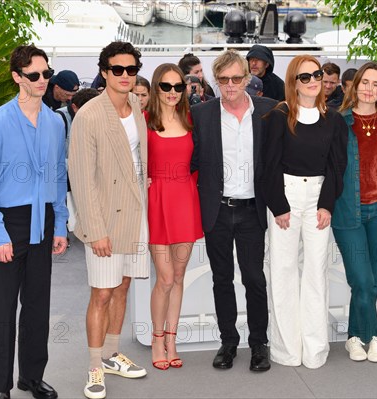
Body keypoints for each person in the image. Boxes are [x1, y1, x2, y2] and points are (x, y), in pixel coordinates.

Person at [0, 44, 68, 399]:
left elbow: (59, 176)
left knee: (37, 307)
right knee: (3, 312)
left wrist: (60, 224)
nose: (43, 80)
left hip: (43, 221)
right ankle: (1, 387)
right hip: (8, 223)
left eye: (47, 73)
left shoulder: (55, 122)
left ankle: (31, 376)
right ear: (17, 77)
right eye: (34, 75)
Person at [69, 41, 149, 399]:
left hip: (134, 211)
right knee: (101, 293)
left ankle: (114, 353)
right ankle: (94, 366)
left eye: (131, 70)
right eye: (117, 70)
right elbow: (81, 179)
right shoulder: (89, 115)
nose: (125, 76)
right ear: (104, 72)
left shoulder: (136, 106)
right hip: (104, 217)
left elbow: (136, 158)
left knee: (123, 287)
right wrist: (95, 230)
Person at [191, 50, 277, 372]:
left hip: (253, 210)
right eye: (223, 79)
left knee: (255, 278)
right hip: (218, 210)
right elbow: (192, 160)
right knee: (222, 278)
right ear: (217, 80)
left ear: (247, 78)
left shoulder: (268, 112)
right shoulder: (202, 115)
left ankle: (259, 344)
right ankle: (228, 342)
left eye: (236, 78)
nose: (230, 85)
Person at [263, 55, 348, 368]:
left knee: (315, 273)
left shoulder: (334, 120)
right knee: (282, 272)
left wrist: (326, 203)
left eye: (318, 74)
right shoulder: (279, 116)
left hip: (318, 198)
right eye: (306, 77)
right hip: (285, 196)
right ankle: (286, 350)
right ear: (293, 83)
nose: (314, 80)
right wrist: (279, 206)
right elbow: (268, 164)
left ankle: (314, 350)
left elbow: (337, 165)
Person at [331, 61, 377, 363]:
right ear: (354, 85)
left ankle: (353, 337)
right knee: (360, 279)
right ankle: (373, 336)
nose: (369, 88)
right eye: (365, 82)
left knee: (371, 280)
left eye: (376, 84)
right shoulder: (338, 122)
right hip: (349, 212)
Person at [145, 63, 204, 371]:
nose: (171, 93)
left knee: (178, 277)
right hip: (157, 202)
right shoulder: (145, 121)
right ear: (157, 88)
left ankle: (172, 340)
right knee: (164, 278)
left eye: (178, 87)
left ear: (184, 89)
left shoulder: (191, 120)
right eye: (165, 87)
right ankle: (156, 339)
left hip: (184, 200)